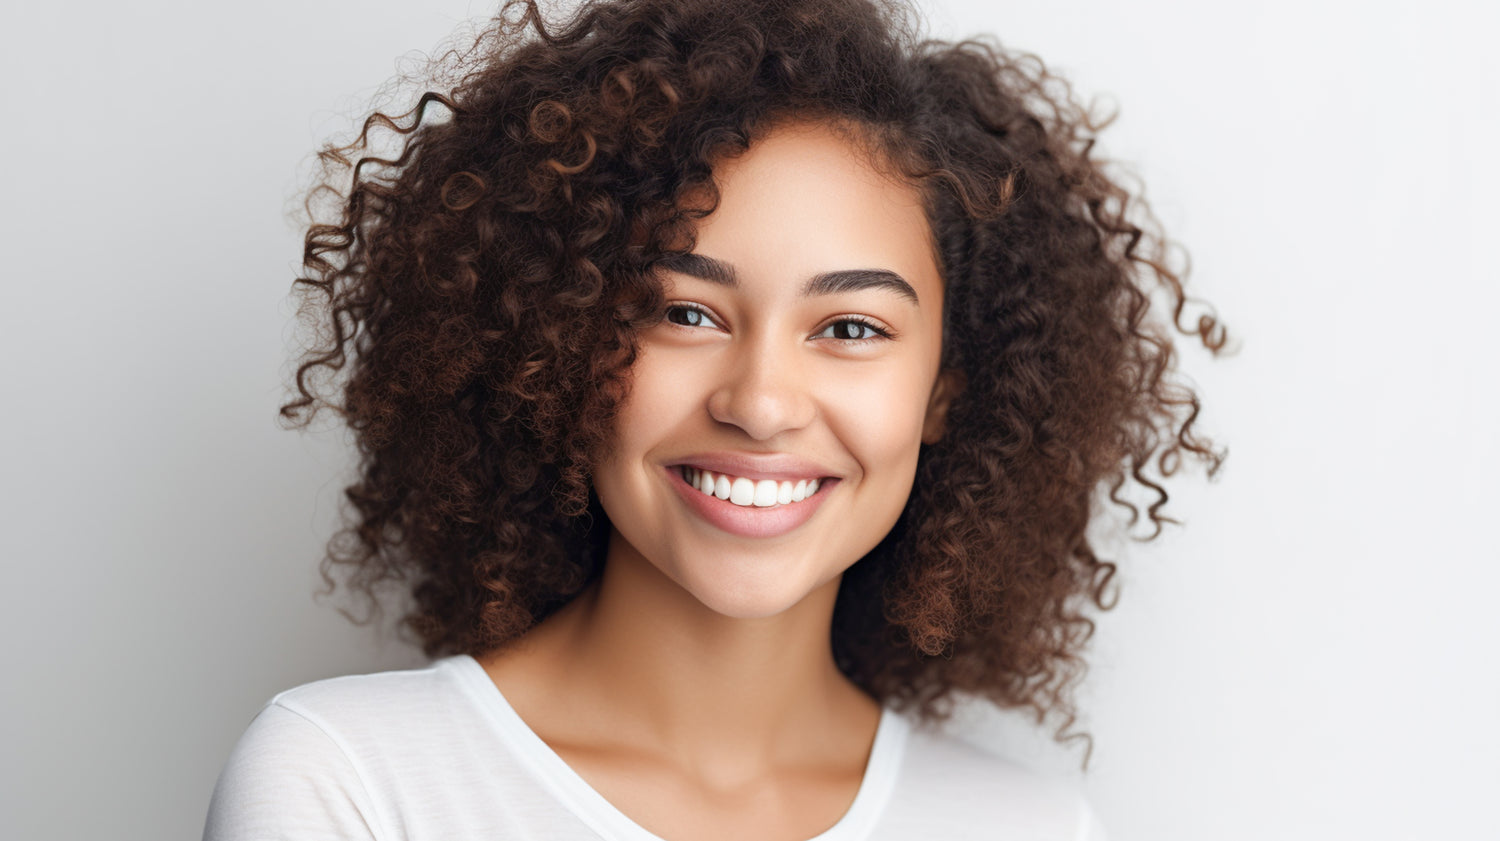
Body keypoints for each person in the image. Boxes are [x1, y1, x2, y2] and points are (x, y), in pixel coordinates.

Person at [203, 0, 1223, 838]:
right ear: (562, 343)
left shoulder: (1027, 830)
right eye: (684, 312)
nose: (761, 402)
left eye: (853, 327)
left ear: (948, 388)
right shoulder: (350, 786)